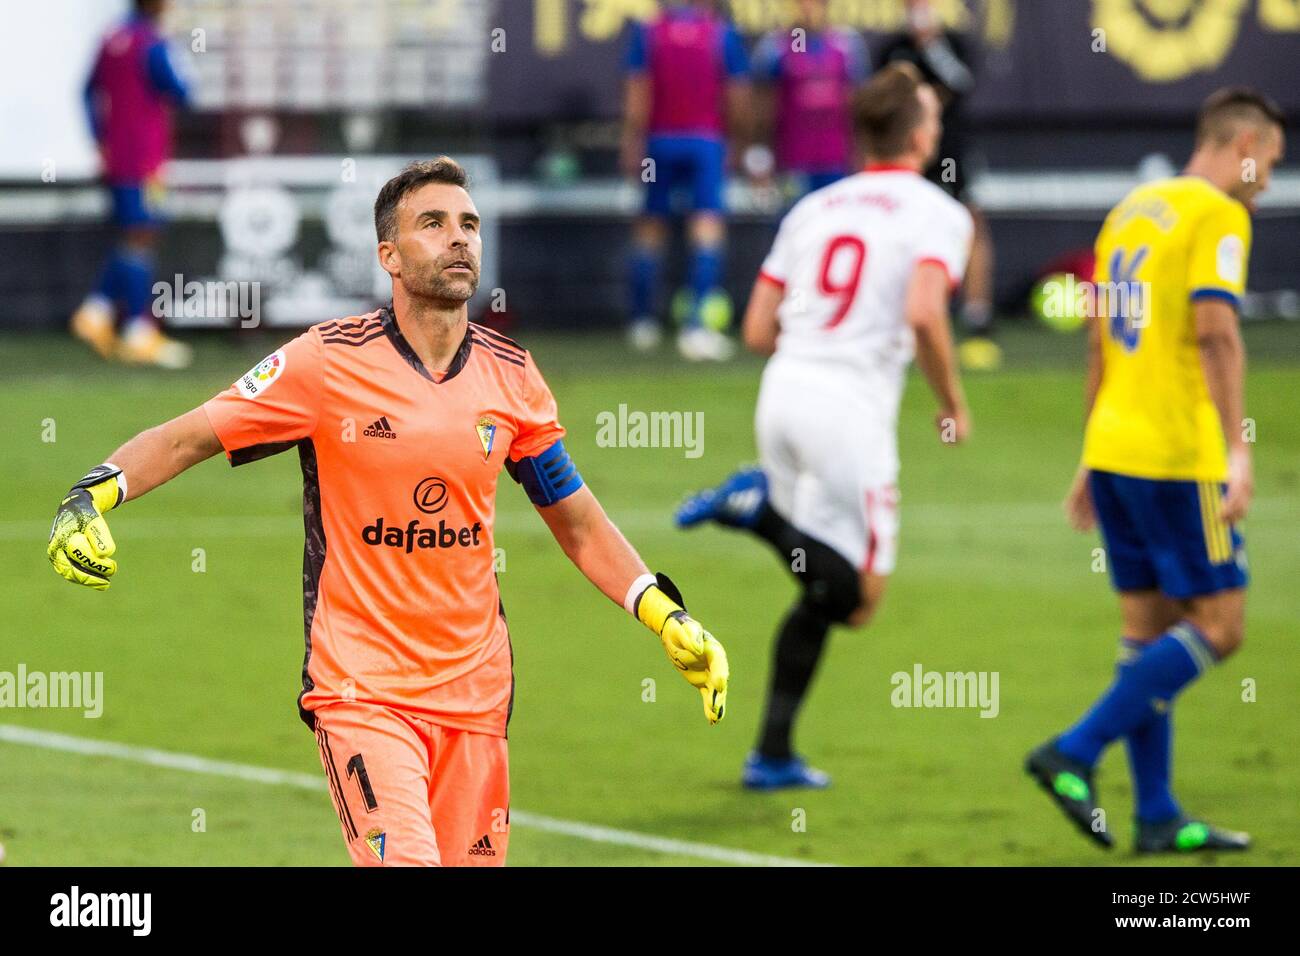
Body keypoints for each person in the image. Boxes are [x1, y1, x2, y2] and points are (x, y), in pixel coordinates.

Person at [46, 157, 729, 866]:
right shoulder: (326, 364)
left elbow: (577, 519)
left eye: (468, 223)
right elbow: (189, 435)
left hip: (477, 697)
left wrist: (662, 612)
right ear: (389, 256)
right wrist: (92, 493)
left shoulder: (513, 376)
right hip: (362, 689)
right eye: (432, 224)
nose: (458, 238)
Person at [676, 64, 972, 789]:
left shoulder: (816, 207)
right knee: (858, 601)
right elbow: (926, 312)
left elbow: (754, 329)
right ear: (923, 133)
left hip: (782, 393)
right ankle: (760, 516)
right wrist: (952, 404)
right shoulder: (938, 212)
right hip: (849, 412)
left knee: (817, 589)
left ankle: (771, 753)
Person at [1026, 87, 1285, 854]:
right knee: (1222, 627)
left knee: (1148, 633)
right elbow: (1216, 333)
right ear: (1240, 142)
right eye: (1268, 160)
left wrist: (1088, 452)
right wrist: (1239, 447)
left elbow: (1099, 342)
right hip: (1179, 457)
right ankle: (1073, 750)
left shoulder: (1131, 210)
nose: (1267, 179)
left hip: (1117, 450)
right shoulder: (1218, 216)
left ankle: (1157, 815)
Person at [620, 0, 749, 361]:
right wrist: (739, 142)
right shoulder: (720, 34)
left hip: (660, 141)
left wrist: (633, 142)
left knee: (650, 227)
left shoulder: (650, 32)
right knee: (707, 226)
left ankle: (642, 322)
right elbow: (737, 95)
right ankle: (696, 327)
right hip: (705, 142)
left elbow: (637, 92)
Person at [72, 0, 193, 369]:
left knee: (134, 234)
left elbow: (86, 90)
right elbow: (182, 92)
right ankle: (138, 330)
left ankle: (95, 312)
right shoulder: (150, 42)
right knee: (141, 235)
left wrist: (100, 138)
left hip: (119, 156)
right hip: (145, 159)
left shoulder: (112, 37)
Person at [878, 0, 998, 371]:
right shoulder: (892, 48)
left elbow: (960, 83)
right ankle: (902, 321)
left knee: (970, 224)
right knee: (903, 232)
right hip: (908, 155)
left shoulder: (954, 42)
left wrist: (931, 44)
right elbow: (887, 99)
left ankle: (978, 317)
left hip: (950, 152)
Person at [750, 0, 869, 199]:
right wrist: (759, 151)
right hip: (793, 158)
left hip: (835, 158)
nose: (808, 7)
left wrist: (861, 152)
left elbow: (857, 102)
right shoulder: (778, 45)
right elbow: (761, 103)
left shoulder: (846, 44)